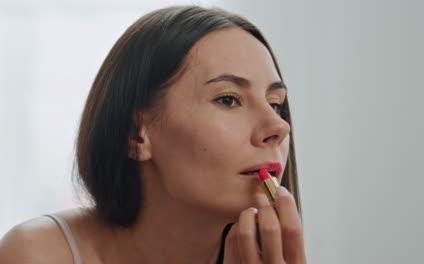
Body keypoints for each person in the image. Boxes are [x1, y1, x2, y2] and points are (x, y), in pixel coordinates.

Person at [0, 5, 306, 263]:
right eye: (227, 99)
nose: (279, 127)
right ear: (136, 135)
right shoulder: (39, 254)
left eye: (276, 104)